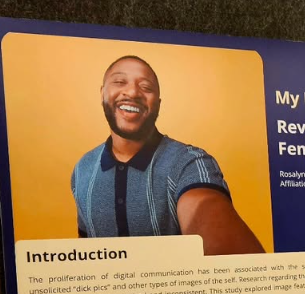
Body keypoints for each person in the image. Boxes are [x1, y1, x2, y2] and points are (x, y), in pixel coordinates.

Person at [71, 55, 264, 255]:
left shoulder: (189, 162)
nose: (132, 92)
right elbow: (87, 249)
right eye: (120, 82)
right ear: (102, 93)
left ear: (158, 103)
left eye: (146, 87)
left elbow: (223, 243)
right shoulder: (82, 169)